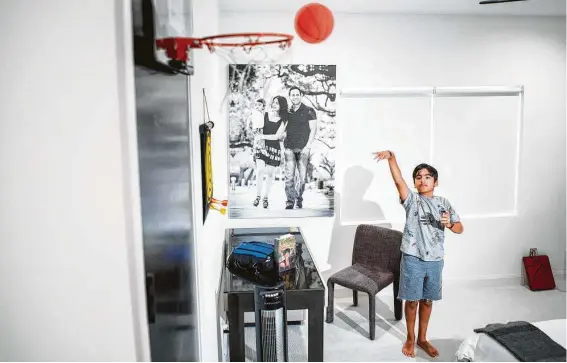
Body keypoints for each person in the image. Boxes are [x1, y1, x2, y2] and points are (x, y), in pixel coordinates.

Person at [374, 150, 464, 358]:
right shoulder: (411, 200)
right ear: (414, 182)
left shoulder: (444, 203)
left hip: (435, 260)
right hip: (412, 258)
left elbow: (460, 228)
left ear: (435, 182)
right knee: (412, 300)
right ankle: (410, 337)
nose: (422, 180)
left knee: (427, 300)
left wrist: (449, 224)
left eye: (427, 177)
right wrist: (392, 158)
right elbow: (398, 181)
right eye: (418, 177)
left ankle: (423, 338)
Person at [284, 87, 317, 209]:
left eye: (297, 94)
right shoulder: (287, 112)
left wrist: (308, 146)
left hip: (304, 148)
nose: (295, 96)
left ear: (301, 95)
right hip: (289, 148)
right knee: (289, 176)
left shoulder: (309, 111)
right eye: (292, 95)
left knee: (302, 178)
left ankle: (299, 197)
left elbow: (313, 129)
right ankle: (290, 201)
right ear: (290, 96)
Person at [253, 96, 289, 208]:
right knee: (259, 171)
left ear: (282, 106)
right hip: (261, 146)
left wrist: (261, 136)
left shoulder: (284, 120)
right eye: (273, 102)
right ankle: (258, 196)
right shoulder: (265, 114)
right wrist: (257, 138)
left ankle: (265, 197)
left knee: (269, 174)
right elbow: (256, 127)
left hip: (274, 148)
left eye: (277, 103)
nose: (273, 104)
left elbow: (277, 136)